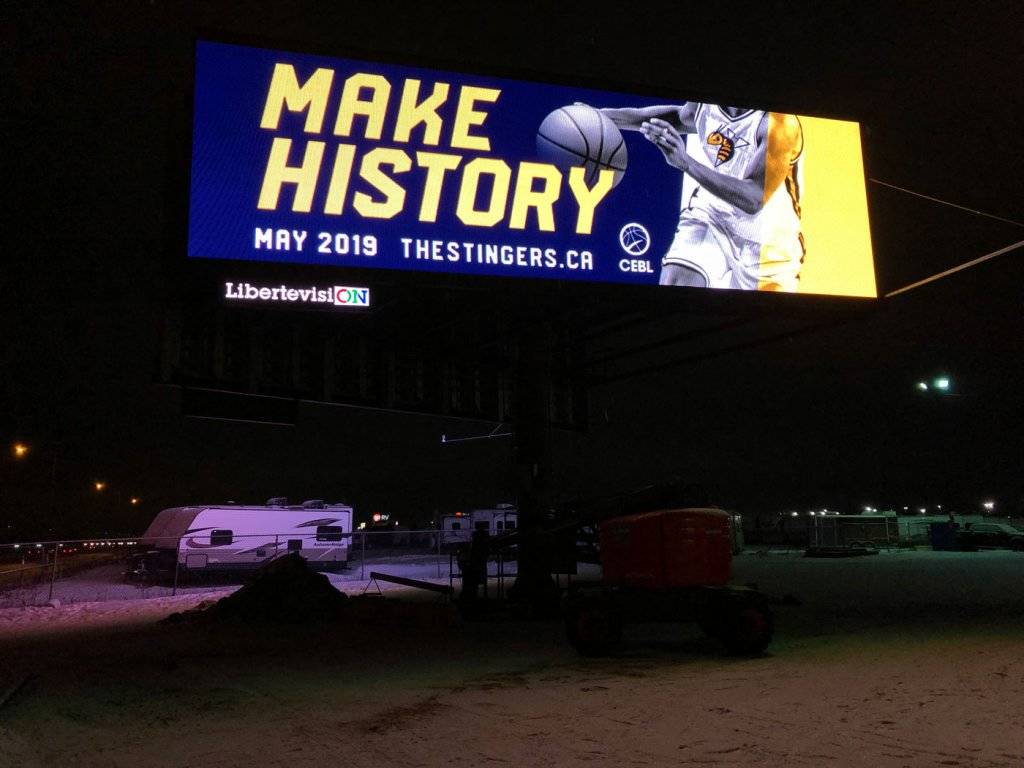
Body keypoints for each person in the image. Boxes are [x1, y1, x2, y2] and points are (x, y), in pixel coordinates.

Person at [600, 102, 804, 291]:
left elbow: (753, 198)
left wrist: (686, 163)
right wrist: (602, 117)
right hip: (712, 212)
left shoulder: (779, 123)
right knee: (676, 282)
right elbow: (678, 118)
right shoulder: (704, 104)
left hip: (768, 236)